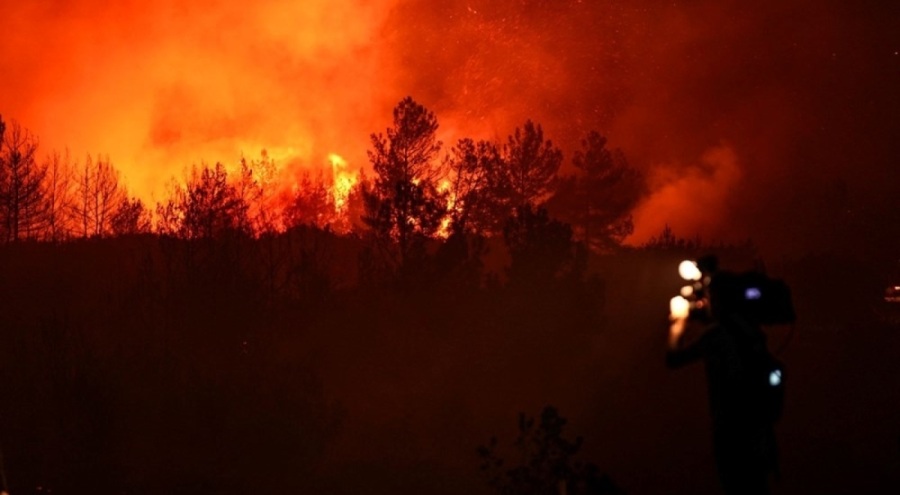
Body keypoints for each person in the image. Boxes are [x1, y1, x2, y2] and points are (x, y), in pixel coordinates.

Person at [667, 270, 779, 495]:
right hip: (760, 433)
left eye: (712, 297)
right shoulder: (751, 331)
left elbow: (674, 359)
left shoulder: (717, 336)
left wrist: (678, 323)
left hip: (731, 434)